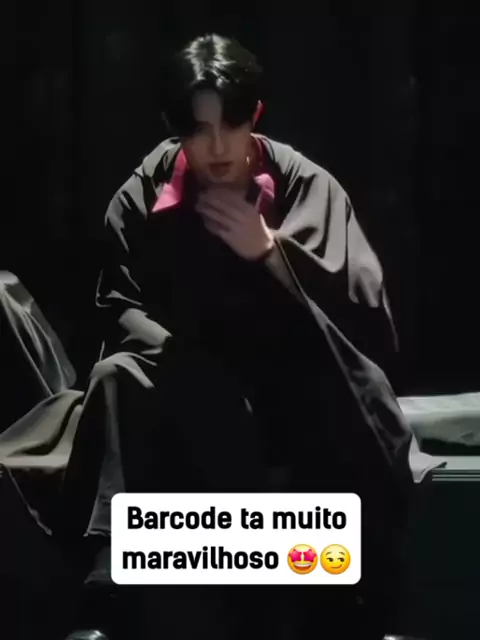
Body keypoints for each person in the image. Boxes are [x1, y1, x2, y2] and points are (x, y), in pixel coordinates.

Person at [58, 34, 433, 640]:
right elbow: (119, 308)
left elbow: (362, 322)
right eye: (198, 129)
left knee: (329, 401)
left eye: (231, 125)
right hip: (188, 387)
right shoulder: (141, 198)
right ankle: (111, 596)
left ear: (254, 116)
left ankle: (345, 601)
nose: (217, 146)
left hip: (290, 390)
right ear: (174, 128)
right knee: (117, 377)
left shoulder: (307, 187)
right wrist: (191, 365)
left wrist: (271, 254)